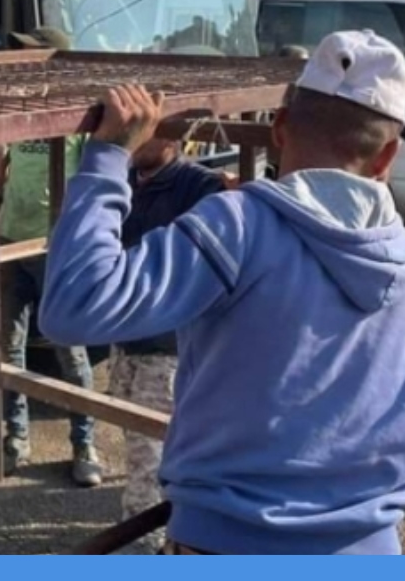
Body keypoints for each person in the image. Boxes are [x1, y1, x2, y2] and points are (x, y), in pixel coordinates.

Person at [41, 30, 405, 555]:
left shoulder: (238, 227)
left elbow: (76, 304)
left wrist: (107, 158)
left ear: (279, 128)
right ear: (387, 156)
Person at [0, 27, 103, 487]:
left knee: (70, 349)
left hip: (54, 249)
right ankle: (15, 438)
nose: (20, 62)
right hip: (9, 241)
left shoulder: (79, 114)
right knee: (8, 347)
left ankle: (84, 444)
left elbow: (98, 181)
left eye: (29, 55)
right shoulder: (17, 108)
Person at [109, 132, 227, 554]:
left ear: (174, 136)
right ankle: (174, 528)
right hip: (127, 338)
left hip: (167, 345)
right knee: (138, 440)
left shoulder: (197, 186)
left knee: (149, 453)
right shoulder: (126, 181)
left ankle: (144, 545)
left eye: (150, 131)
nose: (137, 140)